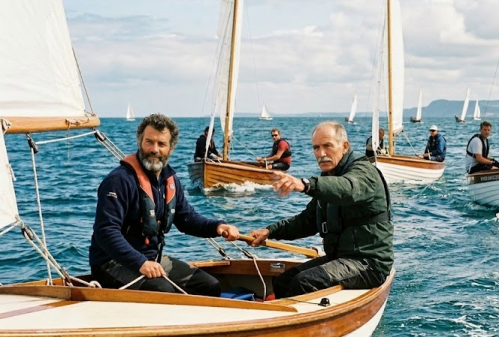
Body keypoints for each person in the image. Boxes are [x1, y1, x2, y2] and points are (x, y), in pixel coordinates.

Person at [89, 114, 240, 296]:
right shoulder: (119, 181)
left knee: (209, 285)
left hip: (154, 260)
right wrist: (140, 263)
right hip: (112, 264)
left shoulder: (170, 181)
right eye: (149, 142)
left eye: (161, 144)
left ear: (171, 148)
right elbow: (105, 231)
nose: (154, 149)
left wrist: (218, 226)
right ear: (140, 142)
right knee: (162, 291)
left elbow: (187, 219)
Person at [246, 121, 393, 298]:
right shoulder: (329, 176)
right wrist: (270, 231)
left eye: (327, 146)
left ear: (345, 146)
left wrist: (306, 184)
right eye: (316, 148)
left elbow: (347, 188)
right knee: (283, 281)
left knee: (304, 282)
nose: (321, 154)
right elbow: (307, 221)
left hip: (368, 263)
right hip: (340, 258)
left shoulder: (364, 172)